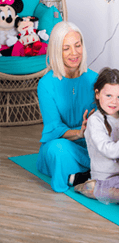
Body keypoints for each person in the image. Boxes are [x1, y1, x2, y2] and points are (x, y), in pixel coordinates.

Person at [36, 21, 98, 192]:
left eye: (77, 46)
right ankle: (96, 173)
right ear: (57, 51)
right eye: (66, 48)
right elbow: (54, 128)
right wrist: (79, 133)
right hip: (63, 146)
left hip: (94, 144)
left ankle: (86, 175)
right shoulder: (46, 84)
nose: (74, 53)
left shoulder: (95, 79)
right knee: (58, 150)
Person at [74, 67, 119, 205]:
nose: (114, 102)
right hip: (108, 177)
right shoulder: (95, 120)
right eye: (109, 96)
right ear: (97, 94)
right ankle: (90, 188)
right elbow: (107, 149)